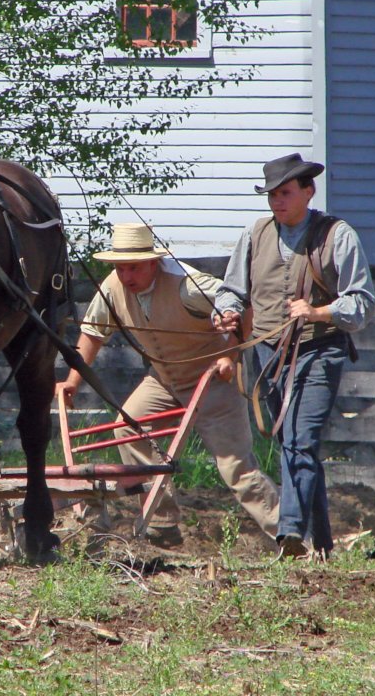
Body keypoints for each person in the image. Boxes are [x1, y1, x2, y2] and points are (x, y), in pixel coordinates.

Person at [56, 223, 280, 548]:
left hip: (212, 378)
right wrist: (72, 380)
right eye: (120, 268)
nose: (126, 276)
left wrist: (231, 357)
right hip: (164, 378)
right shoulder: (112, 287)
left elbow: (243, 311)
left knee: (236, 468)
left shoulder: (188, 285)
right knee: (128, 427)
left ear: (153, 262)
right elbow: (92, 333)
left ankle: (289, 536)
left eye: (133, 267)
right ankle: (161, 521)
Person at [214, 153, 375, 560]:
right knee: (293, 444)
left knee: (300, 441)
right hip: (269, 354)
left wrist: (320, 311)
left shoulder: (337, 235)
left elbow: (362, 302)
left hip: (321, 349)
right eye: (271, 195)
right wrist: (227, 312)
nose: (277, 202)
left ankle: (289, 535)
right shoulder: (255, 235)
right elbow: (231, 290)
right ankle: (322, 542)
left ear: (308, 191)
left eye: (285, 193)